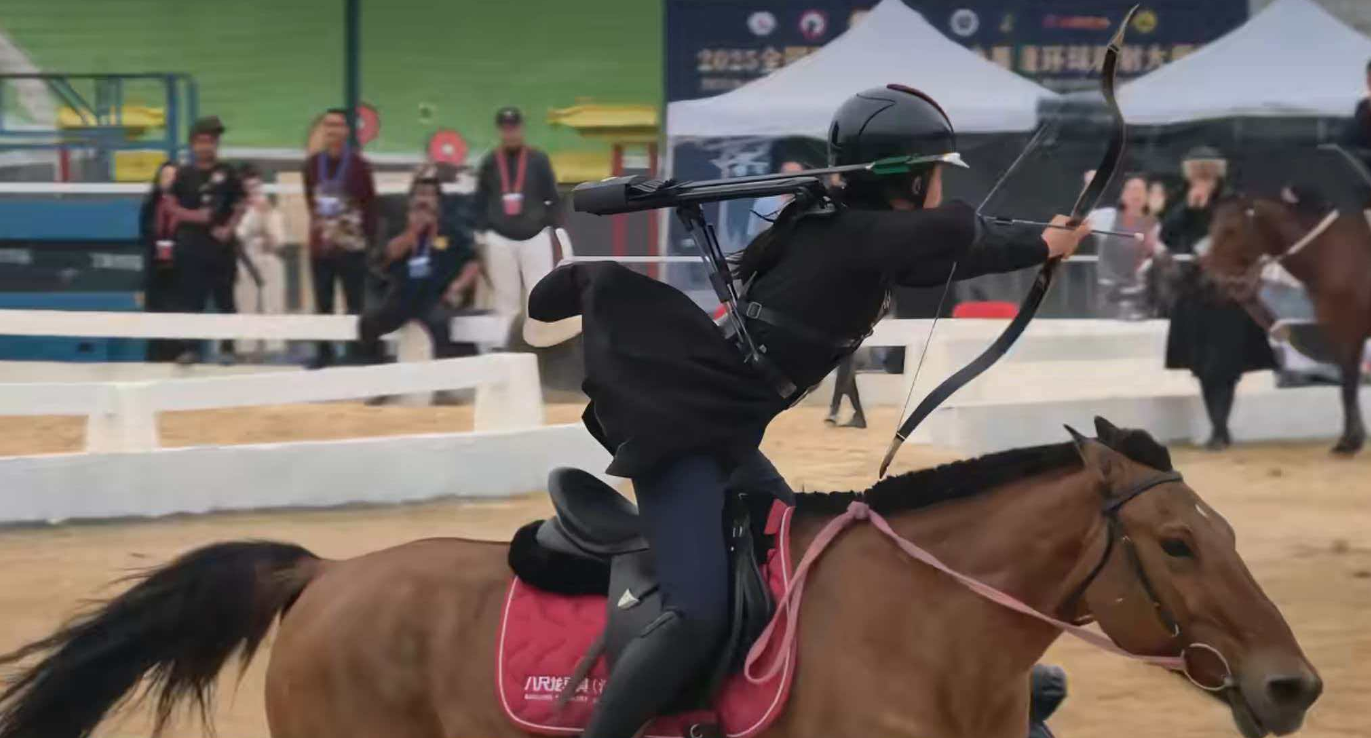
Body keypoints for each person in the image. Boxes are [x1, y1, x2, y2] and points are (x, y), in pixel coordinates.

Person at [527, 84, 1090, 738]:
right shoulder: (851, 235)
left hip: (726, 442)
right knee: (696, 612)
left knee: (801, 571)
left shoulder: (854, 238)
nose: (942, 187)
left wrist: (1039, 241)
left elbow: (936, 253)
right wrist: (1042, 244)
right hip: (679, 443)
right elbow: (953, 232)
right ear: (908, 181)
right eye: (935, 172)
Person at [1160, 146, 1276, 450]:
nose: (1202, 180)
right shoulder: (1180, 200)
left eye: (1207, 175)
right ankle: (1219, 429)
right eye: (1198, 174)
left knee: (1227, 366)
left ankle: (1220, 429)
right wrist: (1189, 209)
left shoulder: (1234, 202)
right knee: (1203, 366)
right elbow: (1167, 236)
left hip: (1228, 293)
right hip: (1195, 292)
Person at [358, 171, 482, 363]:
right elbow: (387, 256)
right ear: (410, 200)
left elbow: (472, 262)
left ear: (438, 201)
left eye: (429, 195)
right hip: (402, 295)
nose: (423, 200)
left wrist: (457, 287)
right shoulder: (398, 225)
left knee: (440, 324)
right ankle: (376, 368)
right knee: (368, 324)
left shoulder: (451, 229)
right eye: (419, 194)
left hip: (437, 295)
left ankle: (448, 374)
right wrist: (413, 232)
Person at [164, 116, 246, 365]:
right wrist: (194, 217)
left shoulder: (228, 172)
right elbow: (170, 204)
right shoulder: (184, 174)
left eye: (210, 141)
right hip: (191, 244)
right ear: (192, 144)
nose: (205, 147)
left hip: (220, 247)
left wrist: (229, 228)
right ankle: (190, 348)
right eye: (200, 142)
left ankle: (228, 347)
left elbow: (241, 203)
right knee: (191, 298)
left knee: (225, 299)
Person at [472, 106, 561, 336]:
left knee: (541, 297)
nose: (510, 133)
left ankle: (544, 347)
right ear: (499, 131)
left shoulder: (538, 160)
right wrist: (482, 234)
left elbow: (553, 196)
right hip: (500, 239)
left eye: (514, 128)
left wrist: (551, 226)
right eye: (506, 128)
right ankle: (507, 349)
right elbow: (480, 199)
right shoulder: (490, 162)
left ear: (521, 129)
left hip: (535, 237)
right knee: (505, 303)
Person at [303, 108, 378, 368]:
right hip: (322, 245)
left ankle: (355, 351)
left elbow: (369, 206)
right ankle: (324, 353)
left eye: (337, 125)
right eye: (328, 125)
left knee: (354, 302)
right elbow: (310, 201)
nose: (332, 130)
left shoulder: (359, 166)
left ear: (347, 131)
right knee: (322, 302)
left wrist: (368, 242)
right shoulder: (312, 165)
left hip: (352, 245)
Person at [1086, 174, 1160, 319]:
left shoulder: (1154, 224)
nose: (1136, 194)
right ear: (1122, 195)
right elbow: (1078, 217)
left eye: (1140, 190)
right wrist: (1090, 190)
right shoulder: (1106, 217)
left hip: (1142, 298)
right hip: (1110, 298)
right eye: (1131, 189)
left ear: (1147, 196)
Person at [234, 165, 289, 358]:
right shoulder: (237, 211)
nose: (254, 192)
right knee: (246, 307)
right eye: (249, 188)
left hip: (269, 261)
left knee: (273, 306)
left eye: (257, 187)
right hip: (244, 262)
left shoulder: (271, 211)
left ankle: (274, 350)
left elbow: (279, 240)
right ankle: (245, 349)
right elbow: (239, 235)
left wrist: (266, 221)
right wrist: (253, 214)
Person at [139, 161, 182, 362]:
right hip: (156, 271)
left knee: (178, 319)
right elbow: (145, 235)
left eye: (174, 177)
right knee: (155, 319)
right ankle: (155, 358)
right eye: (165, 176)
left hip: (181, 271)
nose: (169, 181)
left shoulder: (187, 205)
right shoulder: (150, 205)